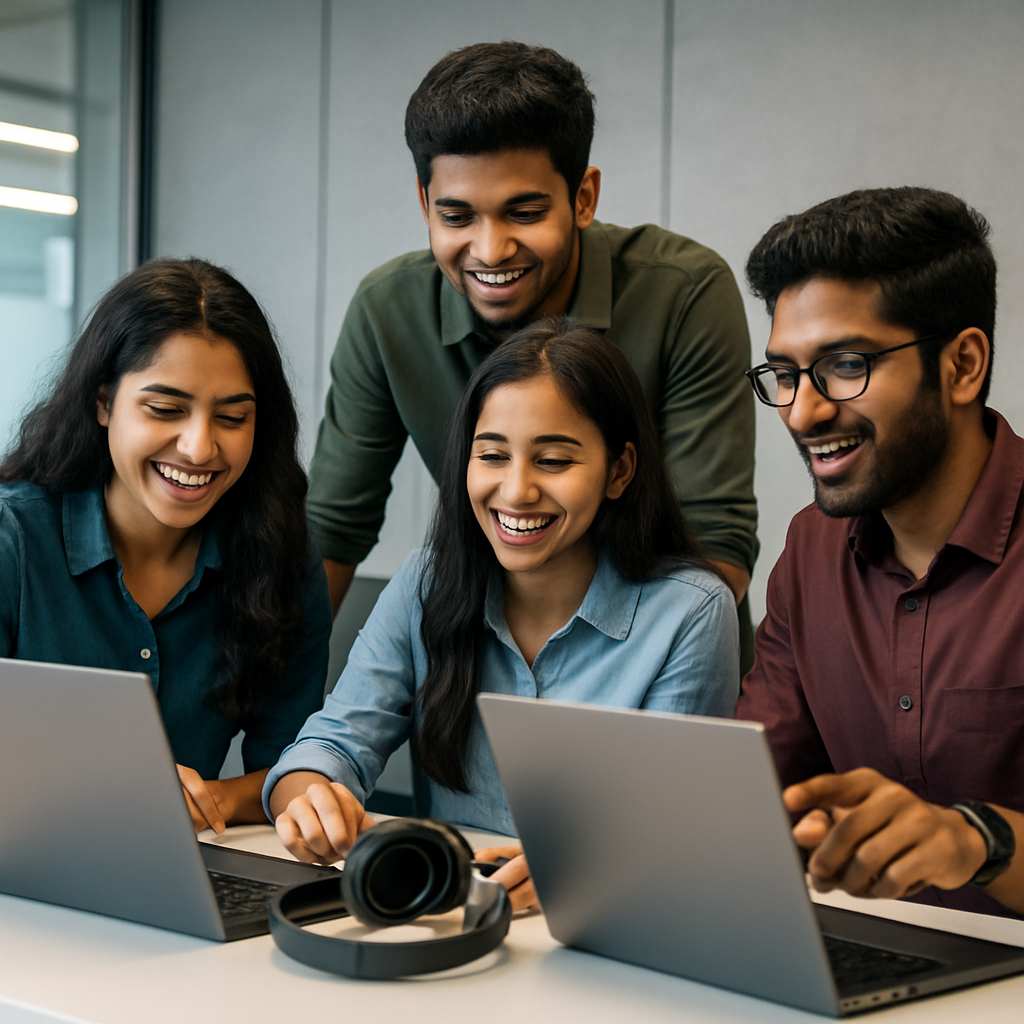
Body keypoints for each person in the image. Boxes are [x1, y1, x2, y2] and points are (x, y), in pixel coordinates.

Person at [308, 40, 758, 666]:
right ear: (424, 204)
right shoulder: (387, 309)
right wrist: (269, 714)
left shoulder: (684, 291)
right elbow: (329, 535)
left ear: (583, 197)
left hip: (659, 680)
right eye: (457, 216)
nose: (490, 251)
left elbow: (715, 545)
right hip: (477, 681)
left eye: (523, 211)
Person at [266, 320, 740, 907]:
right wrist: (312, 793)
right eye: (491, 455)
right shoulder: (425, 582)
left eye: (554, 461)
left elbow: (671, 833)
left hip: (606, 930)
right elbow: (333, 743)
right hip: (449, 917)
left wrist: (574, 870)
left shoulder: (690, 612)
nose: (515, 491)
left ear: (619, 471)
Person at [737, 186, 1024, 918]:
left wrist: (976, 840)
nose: (804, 410)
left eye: (845, 365)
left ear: (962, 365)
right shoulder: (811, 548)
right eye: (786, 374)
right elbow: (750, 789)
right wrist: (594, 859)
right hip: (874, 957)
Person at [0, 258, 332, 834]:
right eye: (165, 410)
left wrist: (209, 801)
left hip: (186, 867)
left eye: (232, 417)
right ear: (104, 401)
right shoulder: (14, 541)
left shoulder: (282, 556)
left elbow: (292, 764)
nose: (199, 448)